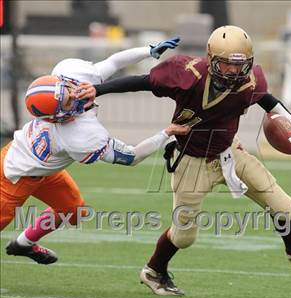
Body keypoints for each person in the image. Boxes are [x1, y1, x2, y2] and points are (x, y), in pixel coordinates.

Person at [77, 25, 291, 296]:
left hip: (229, 153)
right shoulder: (186, 75)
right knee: (184, 237)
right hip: (191, 160)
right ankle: (154, 271)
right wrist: (98, 90)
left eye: (241, 65)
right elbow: (142, 81)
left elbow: (267, 100)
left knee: (284, 206)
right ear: (211, 58)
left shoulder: (251, 81)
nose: (235, 72)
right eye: (227, 65)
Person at [1, 38, 191, 265]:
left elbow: (111, 63)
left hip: (41, 167)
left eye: (68, 90)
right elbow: (131, 157)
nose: (75, 96)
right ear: (58, 118)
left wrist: (148, 50)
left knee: (72, 210)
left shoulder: (71, 74)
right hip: (13, 178)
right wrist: (166, 133)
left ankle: (23, 244)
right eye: (68, 102)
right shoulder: (76, 135)